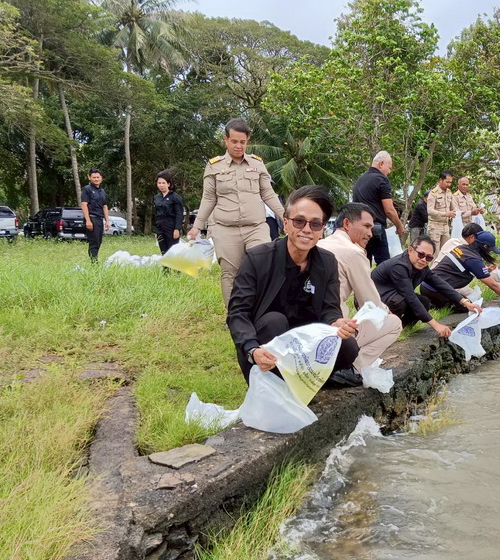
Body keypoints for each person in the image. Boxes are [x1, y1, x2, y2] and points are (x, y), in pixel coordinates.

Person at [227, 185, 361, 387]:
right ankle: (279, 385)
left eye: (315, 224)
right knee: (274, 321)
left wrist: (336, 323)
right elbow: (237, 313)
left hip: (305, 344)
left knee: (348, 346)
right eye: (299, 221)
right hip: (264, 347)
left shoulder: (327, 262)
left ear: (322, 230)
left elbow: (329, 309)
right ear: (286, 224)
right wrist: (252, 349)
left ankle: (307, 381)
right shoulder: (258, 258)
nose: (306, 229)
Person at [188, 118, 285, 307]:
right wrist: (197, 226)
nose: (239, 146)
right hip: (226, 230)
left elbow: (268, 193)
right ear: (226, 140)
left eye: (243, 142)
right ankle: (234, 315)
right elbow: (208, 198)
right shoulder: (214, 166)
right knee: (230, 274)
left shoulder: (257, 164)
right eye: (234, 141)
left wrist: (285, 217)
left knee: (263, 267)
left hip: (256, 227)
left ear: (248, 141)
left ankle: (261, 312)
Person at [318, 203, 403, 370]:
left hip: (308, 324)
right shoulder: (353, 252)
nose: (370, 233)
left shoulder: (321, 244)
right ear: (347, 223)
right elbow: (370, 303)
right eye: (366, 226)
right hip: (334, 328)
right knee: (394, 323)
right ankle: (354, 368)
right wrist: (387, 312)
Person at [372, 236, 481, 337]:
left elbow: (440, 284)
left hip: (394, 296)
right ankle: (385, 330)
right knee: (400, 302)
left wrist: (465, 302)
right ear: (410, 250)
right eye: (421, 254)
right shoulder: (399, 266)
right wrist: (436, 325)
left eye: (429, 258)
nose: (424, 260)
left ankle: (402, 328)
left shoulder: (422, 267)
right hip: (374, 300)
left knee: (424, 302)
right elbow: (410, 297)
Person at [423, 224, 500, 312]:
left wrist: (486, 270)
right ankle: (437, 304)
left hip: (426, 286)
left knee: (466, 301)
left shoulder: (462, 248)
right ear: (485, 246)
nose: (489, 253)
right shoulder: (473, 259)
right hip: (436, 291)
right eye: (490, 250)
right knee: (471, 307)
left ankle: (433, 303)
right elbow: (493, 285)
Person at [352, 151, 405, 265]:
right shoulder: (381, 180)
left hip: (358, 228)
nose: (389, 172)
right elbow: (389, 210)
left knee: (363, 263)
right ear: (381, 164)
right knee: (384, 265)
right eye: (389, 167)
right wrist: (399, 226)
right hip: (375, 228)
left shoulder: (360, 180)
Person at [80, 168, 110, 262]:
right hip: (92, 218)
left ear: (101, 178)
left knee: (98, 241)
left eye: (98, 177)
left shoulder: (102, 191)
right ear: (89, 177)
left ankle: (95, 259)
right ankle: (94, 263)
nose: (96, 179)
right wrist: (88, 221)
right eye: (94, 177)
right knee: (94, 242)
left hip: (100, 218)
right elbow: (84, 204)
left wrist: (107, 221)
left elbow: (104, 206)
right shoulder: (86, 189)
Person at [153, 170, 184, 255]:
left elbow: (179, 214)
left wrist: (177, 229)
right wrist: (156, 230)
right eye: (159, 183)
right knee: (164, 251)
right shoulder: (157, 197)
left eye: (163, 183)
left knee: (173, 251)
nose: (161, 185)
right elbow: (156, 213)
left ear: (168, 184)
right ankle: (165, 264)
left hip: (171, 227)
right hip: (160, 228)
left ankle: (176, 264)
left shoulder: (175, 197)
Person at [426, 170, 456, 257]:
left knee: (446, 251)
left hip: (446, 226)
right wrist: (445, 214)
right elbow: (430, 211)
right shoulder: (433, 193)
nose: (449, 184)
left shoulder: (449, 192)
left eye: (450, 182)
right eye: (447, 182)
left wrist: (455, 213)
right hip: (435, 226)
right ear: (440, 180)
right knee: (435, 253)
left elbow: (454, 207)